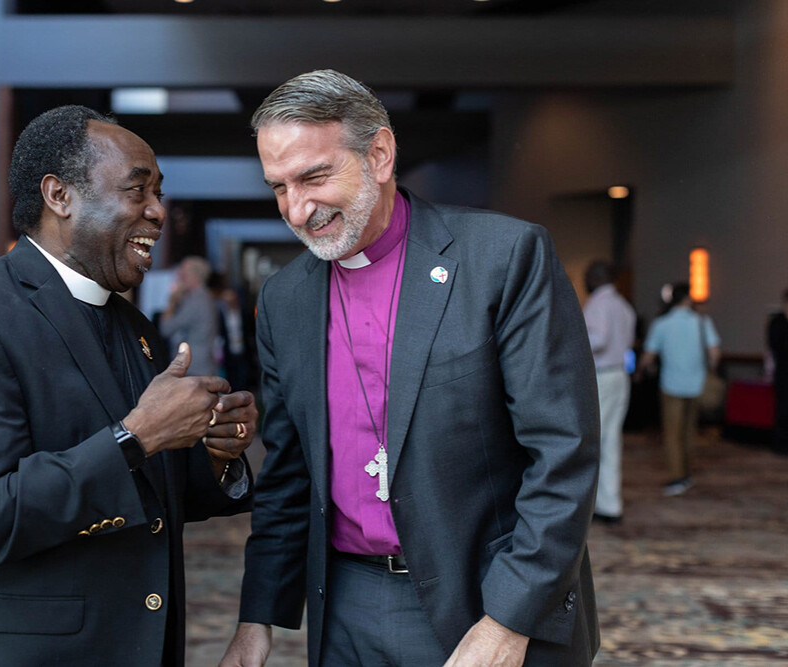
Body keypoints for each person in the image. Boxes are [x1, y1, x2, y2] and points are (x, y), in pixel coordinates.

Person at [220, 70, 600, 667]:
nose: (296, 209)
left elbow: (562, 456)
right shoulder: (285, 298)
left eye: (314, 177)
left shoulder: (502, 258)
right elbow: (290, 475)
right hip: (343, 603)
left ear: (379, 154)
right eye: (279, 187)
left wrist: (508, 618)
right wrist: (257, 615)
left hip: (477, 600)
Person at [0, 105, 256, 666]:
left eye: (159, 192)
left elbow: (147, 492)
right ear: (59, 196)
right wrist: (135, 435)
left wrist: (214, 455)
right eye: (138, 191)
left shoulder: (133, 326)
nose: (159, 212)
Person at [637, 282, 720, 496]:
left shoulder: (662, 324)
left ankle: (677, 476)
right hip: (696, 383)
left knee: (673, 434)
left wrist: (639, 371)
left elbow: (648, 355)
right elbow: (714, 352)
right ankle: (687, 473)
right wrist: (709, 368)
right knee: (689, 431)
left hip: (671, 384)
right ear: (688, 299)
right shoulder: (702, 322)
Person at [583, 260, 636, 525]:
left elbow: (600, 339)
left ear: (594, 278)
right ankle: (609, 502)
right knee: (611, 439)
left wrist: (572, 342)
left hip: (603, 376)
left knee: (596, 440)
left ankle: (600, 503)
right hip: (619, 375)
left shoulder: (598, 304)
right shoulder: (623, 305)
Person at [160, 255, 219, 376]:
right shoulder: (204, 297)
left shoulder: (196, 300)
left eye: (183, 274)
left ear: (194, 276)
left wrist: (172, 301)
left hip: (194, 366)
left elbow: (166, 328)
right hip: (202, 363)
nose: (179, 278)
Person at [767, 288, 788, 455]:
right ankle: (781, 445)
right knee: (782, 409)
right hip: (783, 372)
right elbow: (775, 346)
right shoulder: (777, 322)